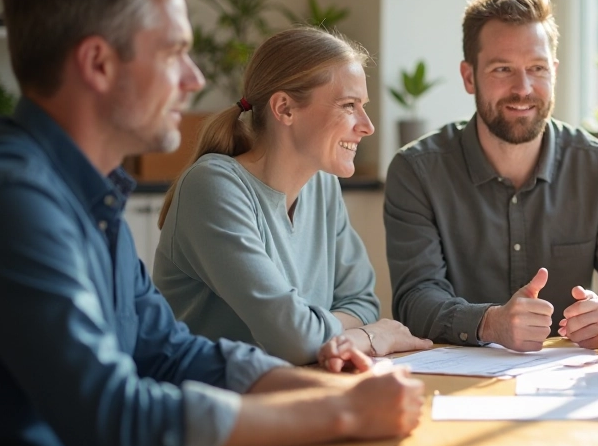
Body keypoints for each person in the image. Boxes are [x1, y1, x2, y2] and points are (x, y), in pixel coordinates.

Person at [0, 0, 422, 446]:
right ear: (97, 64)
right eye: (174, 53)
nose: (194, 79)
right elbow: (114, 417)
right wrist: (337, 412)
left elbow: (172, 352)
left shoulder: (91, 197)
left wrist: (326, 384)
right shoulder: (12, 201)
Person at [385, 0, 598, 352]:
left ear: (554, 72)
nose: (523, 88)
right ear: (469, 77)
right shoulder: (416, 171)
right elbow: (414, 298)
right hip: (455, 378)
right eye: (503, 69)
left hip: (564, 376)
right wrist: (489, 323)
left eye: (537, 68)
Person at [153, 26, 432, 365]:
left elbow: (362, 301)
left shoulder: (322, 185)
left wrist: (327, 336)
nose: (367, 125)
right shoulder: (212, 187)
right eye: (349, 105)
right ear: (284, 108)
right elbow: (294, 339)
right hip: (214, 407)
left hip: (296, 393)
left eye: (363, 106)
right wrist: (368, 337)